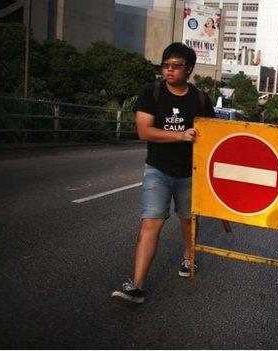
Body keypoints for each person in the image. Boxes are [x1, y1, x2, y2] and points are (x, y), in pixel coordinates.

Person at [111, 43, 215, 304]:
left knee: (188, 220)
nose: (169, 70)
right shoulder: (152, 93)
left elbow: (213, 135)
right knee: (151, 223)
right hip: (157, 169)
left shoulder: (200, 99)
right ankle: (137, 286)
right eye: (165, 65)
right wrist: (181, 135)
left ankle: (189, 258)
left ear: (189, 69)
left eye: (176, 66)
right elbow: (144, 131)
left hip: (191, 172)